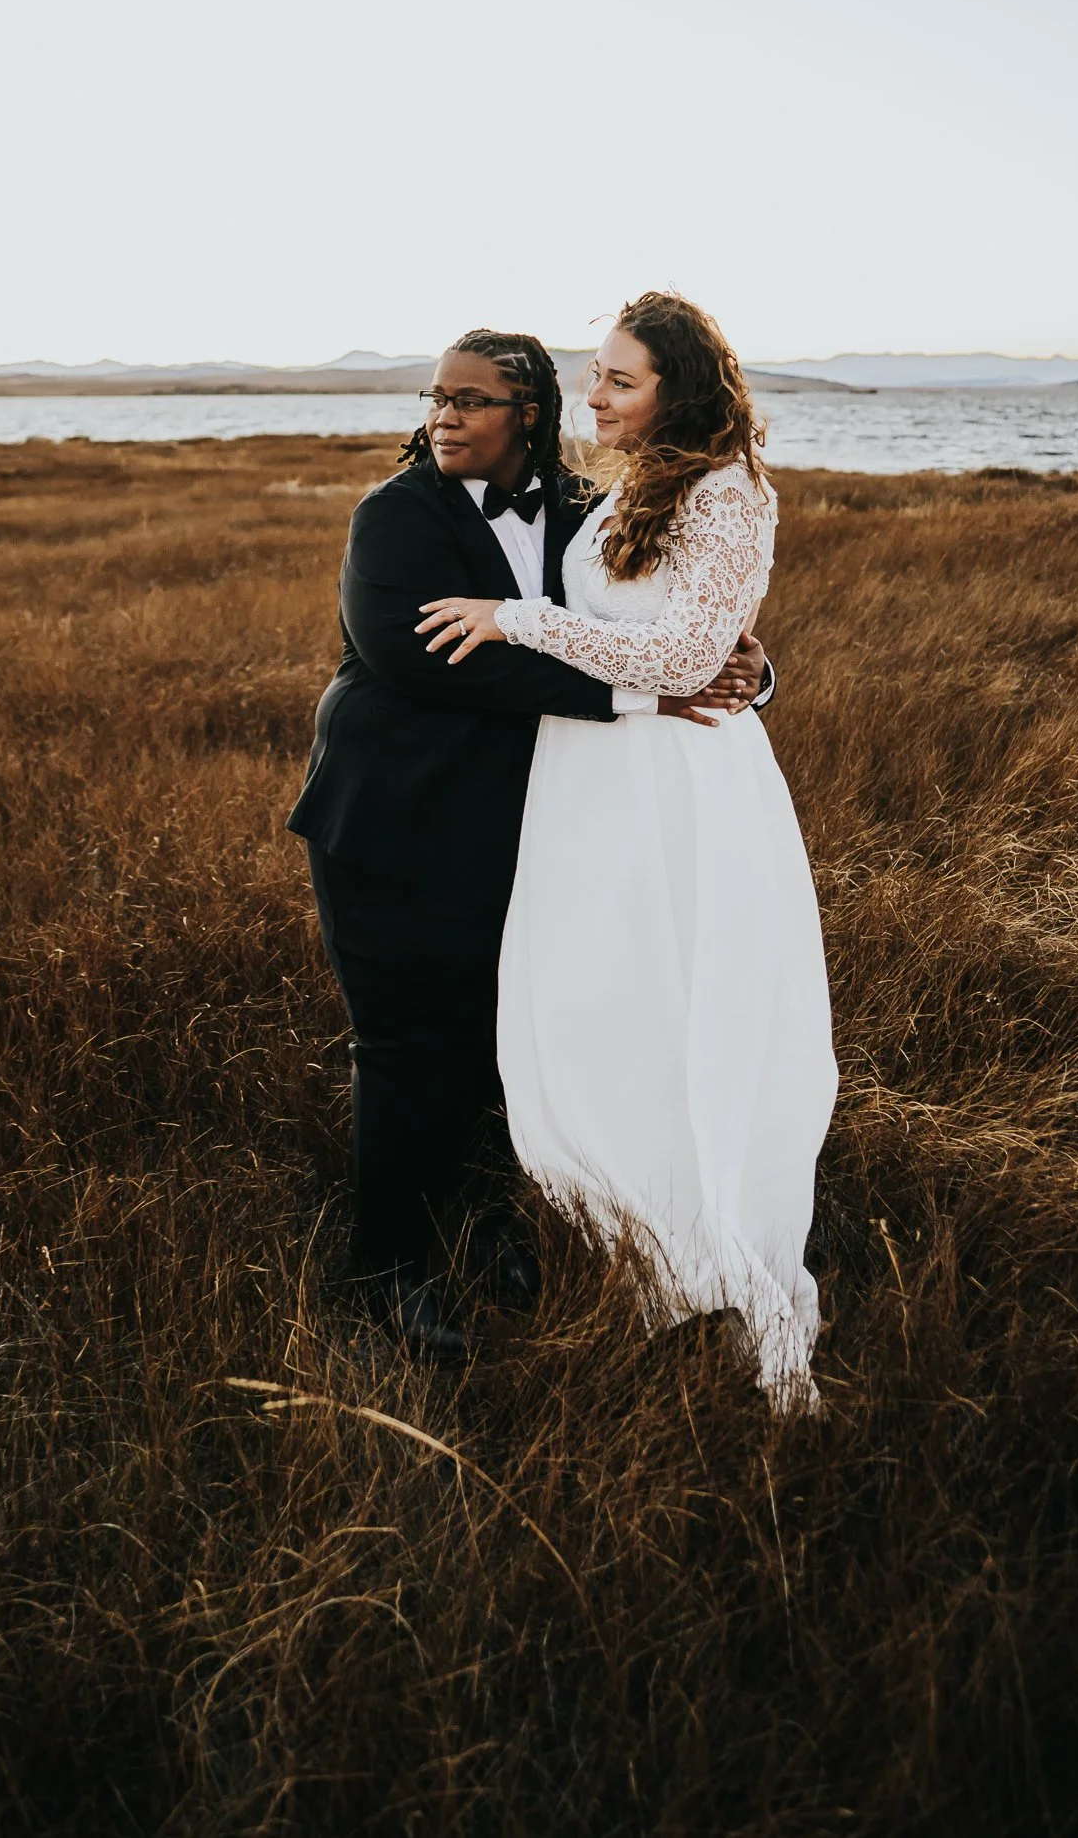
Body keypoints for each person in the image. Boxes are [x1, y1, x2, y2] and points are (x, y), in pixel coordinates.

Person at [288, 329, 774, 1358]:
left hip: (528, 835)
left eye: (472, 399)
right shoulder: (393, 516)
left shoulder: (582, 512)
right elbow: (432, 664)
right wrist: (646, 689)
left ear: (532, 414)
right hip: (391, 826)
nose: (444, 414)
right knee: (408, 1050)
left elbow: (657, 618)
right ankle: (389, 1272)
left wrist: (740, 671)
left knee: (504, 1049)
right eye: (436, 396)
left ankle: (487, 1226)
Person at [417, 293, 837, 1410]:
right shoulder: (622, 486)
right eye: (592, 375)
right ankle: (624, 1235)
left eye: (618, 380)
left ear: (678, 390)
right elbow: (677, 632)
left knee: (677, 1004)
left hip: (677, 789)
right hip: (590, 788)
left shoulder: (728, 488)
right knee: (590, 1004)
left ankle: (706, 1254)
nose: (591, 396)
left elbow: (693, 650)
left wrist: (519, 618)